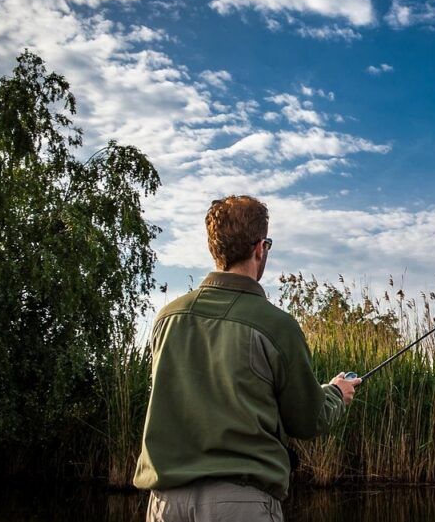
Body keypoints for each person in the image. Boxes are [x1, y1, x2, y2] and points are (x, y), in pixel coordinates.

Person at [133, 195, 360, 521]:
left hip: (164, 504)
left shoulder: (167, 319)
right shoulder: (276, 325)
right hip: (238, 504)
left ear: (215, 248)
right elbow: (307, 420)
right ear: (260, 248)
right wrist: (337, 392)